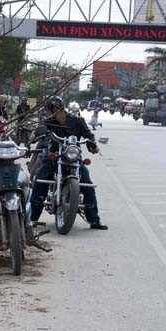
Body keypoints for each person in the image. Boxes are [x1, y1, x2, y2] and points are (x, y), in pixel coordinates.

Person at [30, 96, 108, 231]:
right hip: (54, 157)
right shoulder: (48, 122)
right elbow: (37, 133)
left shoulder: (77, 121)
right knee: (40, 181)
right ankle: (32, 219)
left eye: (49, 110)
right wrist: (35, 135)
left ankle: (94, 219)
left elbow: (88, 135)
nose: (48, 113)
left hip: (73, 157)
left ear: (54, 109)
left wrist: (92, 144)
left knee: (88, 184)